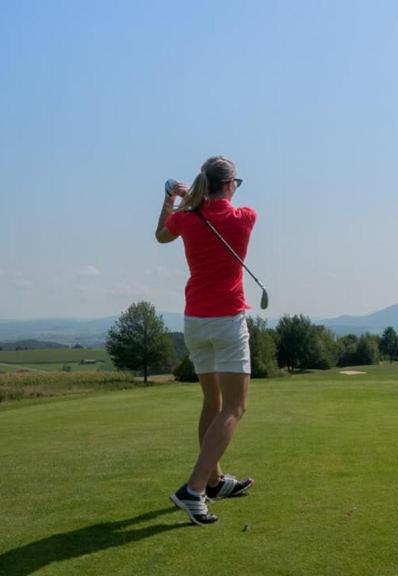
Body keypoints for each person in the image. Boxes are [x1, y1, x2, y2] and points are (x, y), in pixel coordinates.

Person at [155, 155, 256, 525]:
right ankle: (194, 488)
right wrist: (193, 199)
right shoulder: (245, 217)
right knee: (234, 408)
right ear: (229, 185)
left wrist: (172, 197)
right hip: (227, 321)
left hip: (195, 321)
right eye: (235, 183)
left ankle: (213, 482)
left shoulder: (186, 217)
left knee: (213, 401)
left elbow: (162, 234)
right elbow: (226, 210)